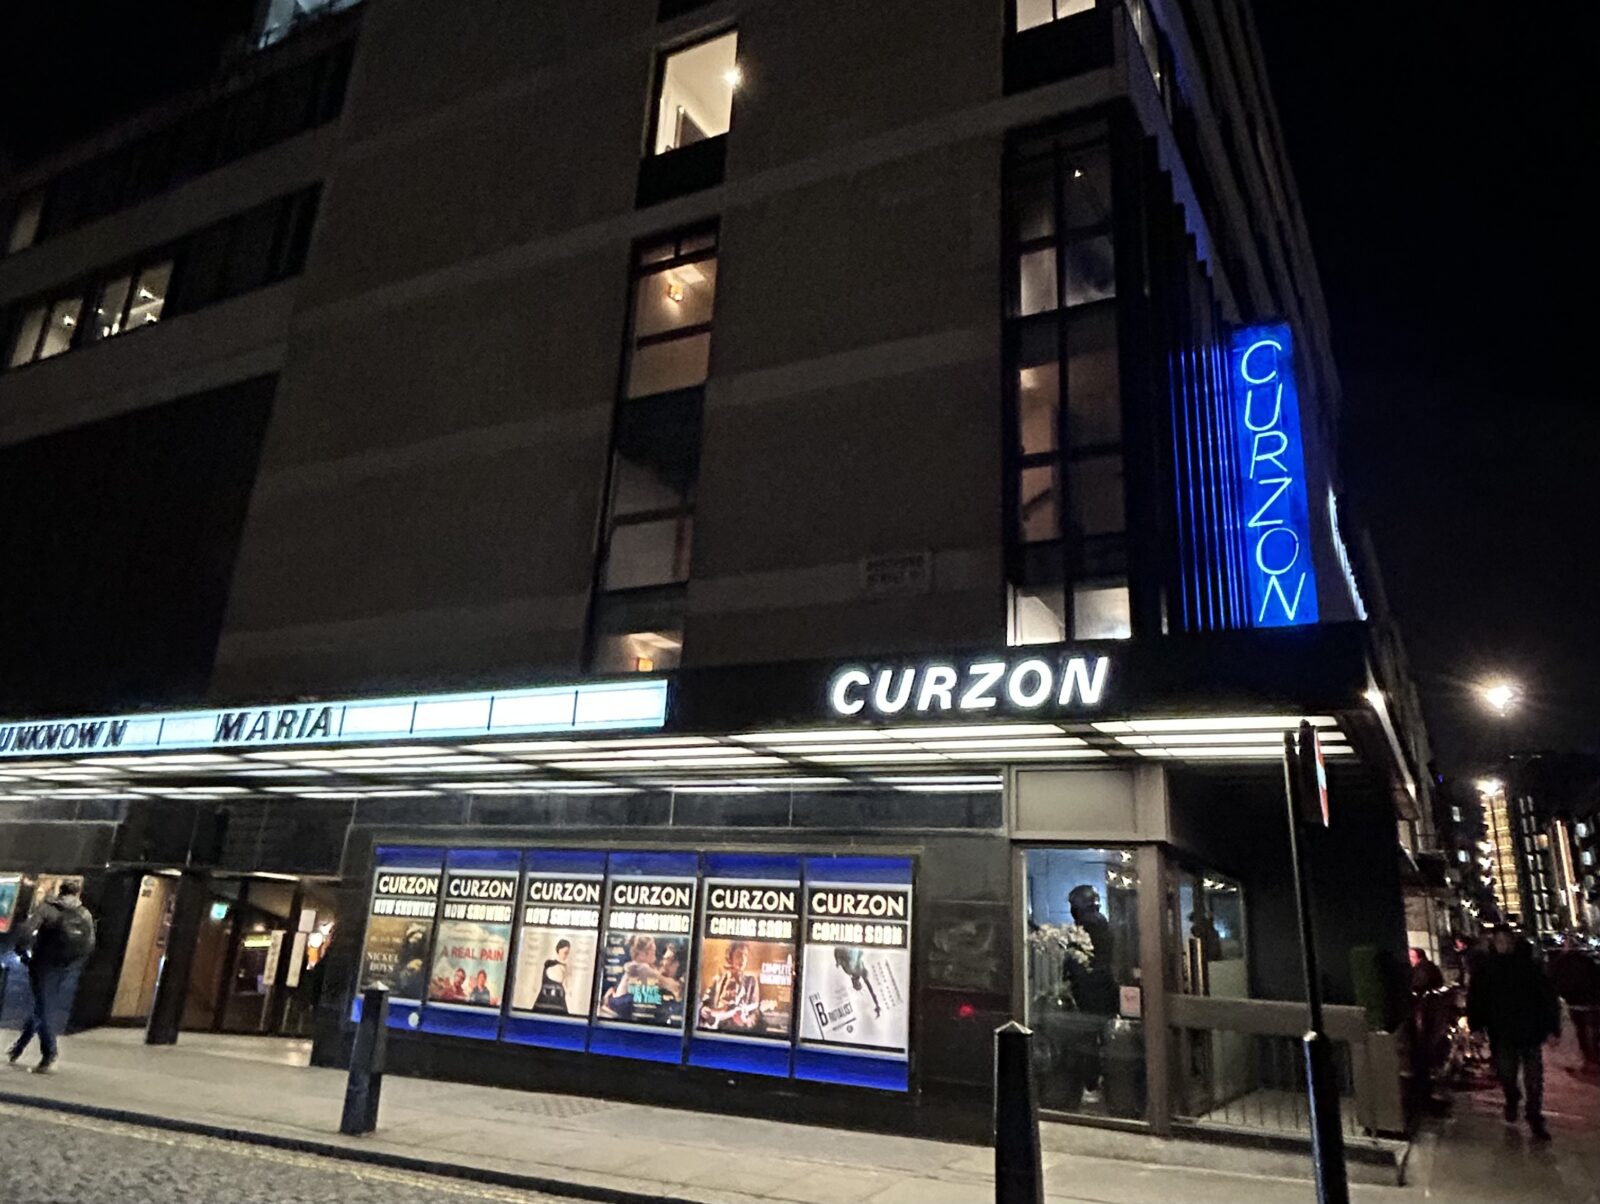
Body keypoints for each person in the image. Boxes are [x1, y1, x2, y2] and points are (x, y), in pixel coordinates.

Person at [1467, 926, 1561, 1141]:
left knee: (1533, 1077)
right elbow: (1477, 999)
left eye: (1506, 941)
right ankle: (1512, 1098)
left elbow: (1547, 998)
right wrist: (1476, 1026)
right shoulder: (1486, 969)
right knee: (1507, 1073)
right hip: (1503, 1032)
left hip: (1529, 1030)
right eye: (1499, 941)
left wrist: (1552, 1028)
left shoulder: (1529, 967)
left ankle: (1534, 1115)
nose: (1503, 945)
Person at [8, 881, 97, 1074]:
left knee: (44, 1008)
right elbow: (90, 942)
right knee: (43, 1005)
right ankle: (19, 1047)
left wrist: (21, 951)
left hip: (44, 964)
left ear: (60, 891)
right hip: (67, 966)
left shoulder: (48, 909)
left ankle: (50, 1054)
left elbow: (26, 931)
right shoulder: (84, 913)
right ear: (77, 893)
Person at [699, 942, 761, 1030]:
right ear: (731, 957)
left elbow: (755, 1012)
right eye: (739, 954)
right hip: (716, 1029)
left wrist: (745, 1022)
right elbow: (705, 1003)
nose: (743, 959)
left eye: (745, 955)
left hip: (738, 1031)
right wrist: (704, 1011)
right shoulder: (719, 980)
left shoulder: (751, 981)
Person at [536, 939, 571, 1013]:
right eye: (565, 952)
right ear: (559, 950)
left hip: (558, 1002)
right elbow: (561, 980)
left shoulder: (562, 967)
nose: (566, 955)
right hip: (548, 1002)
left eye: (568, 953)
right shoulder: (551, 965)